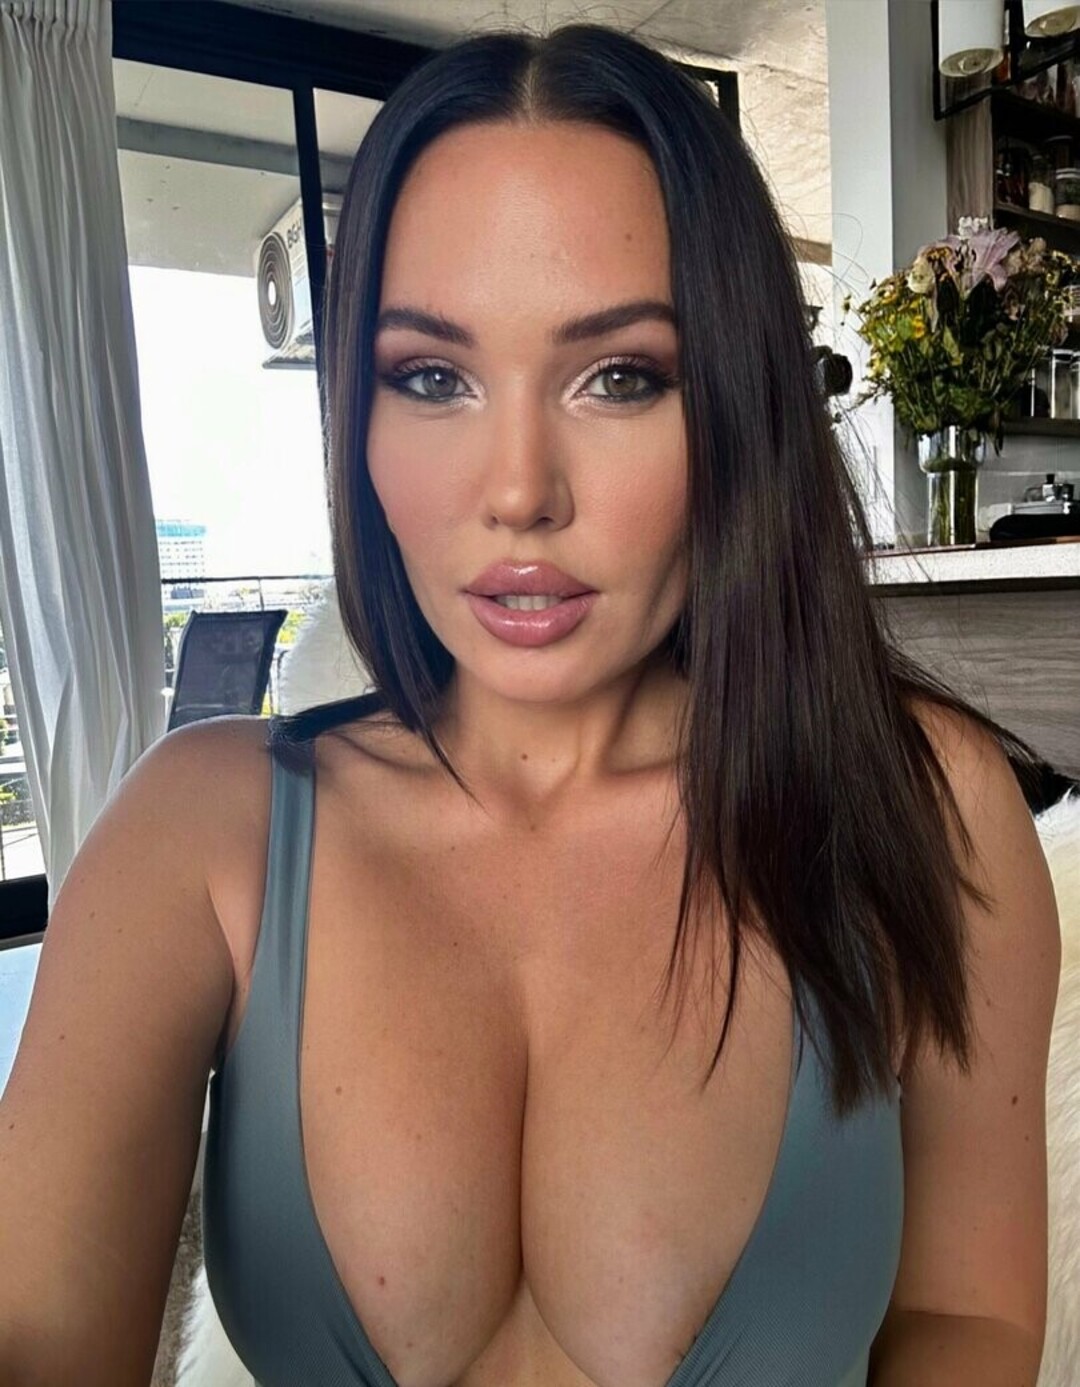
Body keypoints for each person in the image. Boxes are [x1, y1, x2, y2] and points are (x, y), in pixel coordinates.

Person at [0, 22, 1062, 1387]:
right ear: (356, 414)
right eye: (431, 377)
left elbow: (968, 1316)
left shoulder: (925, 809)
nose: (517, 492)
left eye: (620, 377)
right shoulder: (200, 838)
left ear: (739, 405)